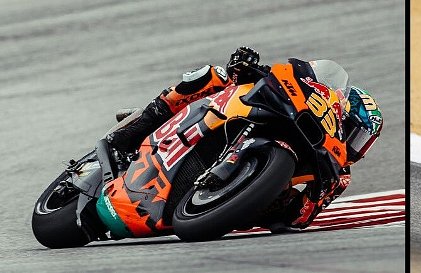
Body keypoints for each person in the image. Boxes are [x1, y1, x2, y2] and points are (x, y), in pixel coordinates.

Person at [105, 47, 383, 230]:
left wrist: (300, 199)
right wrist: (244, 66)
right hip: (234, 114)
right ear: (340, 110)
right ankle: (132, 131)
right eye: (355, 134)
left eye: (363, 142)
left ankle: (220, 198)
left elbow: (301, 219)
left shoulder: (338, 176)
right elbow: (269, 77)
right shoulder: (315, 104)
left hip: (251, 203)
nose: (355, 147)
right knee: (212, 76)